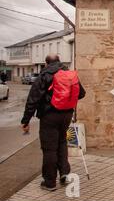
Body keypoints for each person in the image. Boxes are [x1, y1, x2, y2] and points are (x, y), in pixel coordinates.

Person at [20, 54, 85, 191]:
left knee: (49, 148)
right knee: (61, 143)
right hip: (66, 115)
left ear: (46, 63)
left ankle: (49, 182)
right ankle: (65, 175)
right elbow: (81, 93)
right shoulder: (69, 74)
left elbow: (33, 100)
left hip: (49, 116)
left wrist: (25, 121)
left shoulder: (44, 76)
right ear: (59, 61)